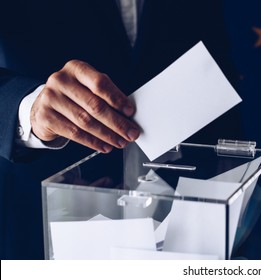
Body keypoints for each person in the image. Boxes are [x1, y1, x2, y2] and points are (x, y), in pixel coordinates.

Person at [0, 0, 242, 259]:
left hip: (182, 217)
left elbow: (210, 53)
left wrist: (230, 177)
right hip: (44, 215)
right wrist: (30, 109)